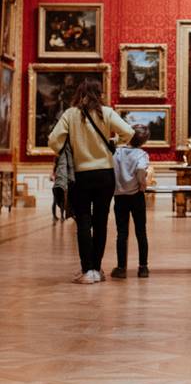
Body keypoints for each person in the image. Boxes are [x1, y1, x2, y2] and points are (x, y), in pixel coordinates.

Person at [48, 78, 135, 284]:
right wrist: (115, 142)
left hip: (81, 175)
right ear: (100, 93)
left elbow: (53, 140)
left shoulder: (71, 114)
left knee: (84, 223)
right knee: (101, 222)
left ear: (80, 93)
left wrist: (68, 146)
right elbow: (129, 132)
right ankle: (97, 268)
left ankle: (87, 271)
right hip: (105, 174)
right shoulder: (106, 112)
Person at [111, 124, 151, 279]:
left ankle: (121, 267)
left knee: (122, 233)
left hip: (119, 196)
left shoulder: (117, 152)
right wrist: (143, 186)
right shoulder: (141, 155)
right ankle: (143, 267)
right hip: (136, 196)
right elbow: (141, 174)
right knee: (141, 232)